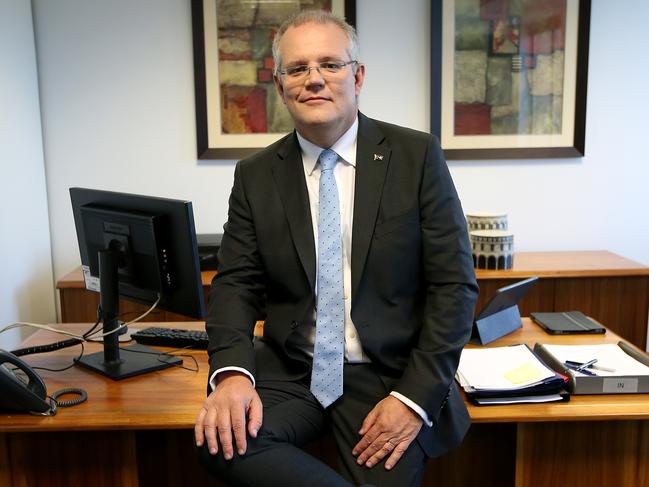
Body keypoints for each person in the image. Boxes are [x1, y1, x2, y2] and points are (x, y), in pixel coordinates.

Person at [194, 9, 478, 487]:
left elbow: (454, 287)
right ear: (281, 85)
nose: (314, 80)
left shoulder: (416, 156)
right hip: (291, 369)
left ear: (358, 75)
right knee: (220, 440)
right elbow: (236, 285)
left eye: (330, 64)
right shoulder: (256, 174)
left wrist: (412, 400)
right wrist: (232, 374)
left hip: (385, 375)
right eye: (297, 68)